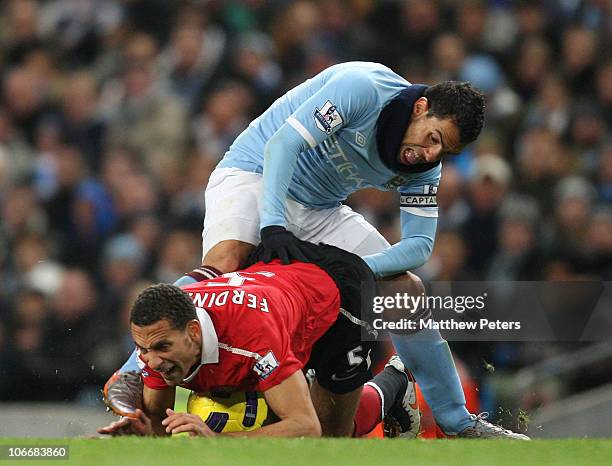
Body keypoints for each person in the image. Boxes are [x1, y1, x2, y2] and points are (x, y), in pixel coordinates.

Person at [108, 61, 527, 438]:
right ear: (420, 107)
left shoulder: (424, 165)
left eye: (444, 151)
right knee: (227, 260)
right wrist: (271, 225)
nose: (431, 154)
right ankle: (131, 372)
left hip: (319, 208)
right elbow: (283, 147)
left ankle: (457, 420)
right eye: (433, 138)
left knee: (406, 290)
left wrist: (345, 269)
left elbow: (419, 245)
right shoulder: (361, 87)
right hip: (257, 174)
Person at [99, 242, 420, 438]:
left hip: (337, 298)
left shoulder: (252, 341)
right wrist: (138, 430)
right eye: (143, 349)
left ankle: (394, 381)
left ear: (194, 333)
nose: (152, 361)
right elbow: (157, 423)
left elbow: (306, 426)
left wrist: (216, 439)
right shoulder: (161, 336)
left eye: (161, 348)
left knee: (332, 435)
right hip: (279, 283)